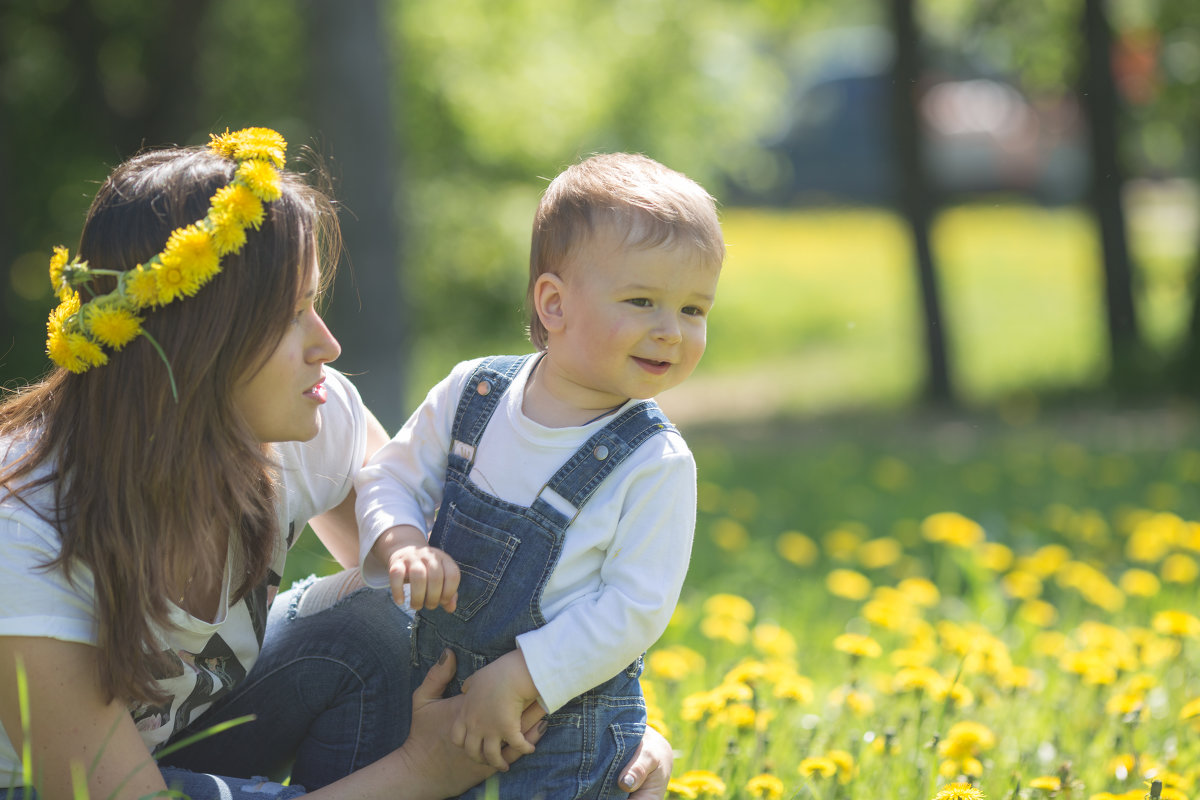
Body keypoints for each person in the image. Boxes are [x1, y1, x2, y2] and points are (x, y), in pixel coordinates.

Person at [0, 129, 674, 800]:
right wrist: (421, 773)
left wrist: (605, 721)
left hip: (185, 735)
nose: (327, 343)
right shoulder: (26, 529)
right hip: (55, 785)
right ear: (196, 338)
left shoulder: (307, 420)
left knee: (381, 609)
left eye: (313, 304)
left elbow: (457, 602)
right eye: (290, 316)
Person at [355, 153, 724, 798]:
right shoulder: (473, 392)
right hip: (434, 699)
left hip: (564, 731)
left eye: (694, 310)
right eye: (643, 301)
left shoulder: (652, 461)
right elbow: (389, 477)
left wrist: (523, 674)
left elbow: (634, 607)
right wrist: (403, 543)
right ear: (553, 303)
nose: (671, 332)